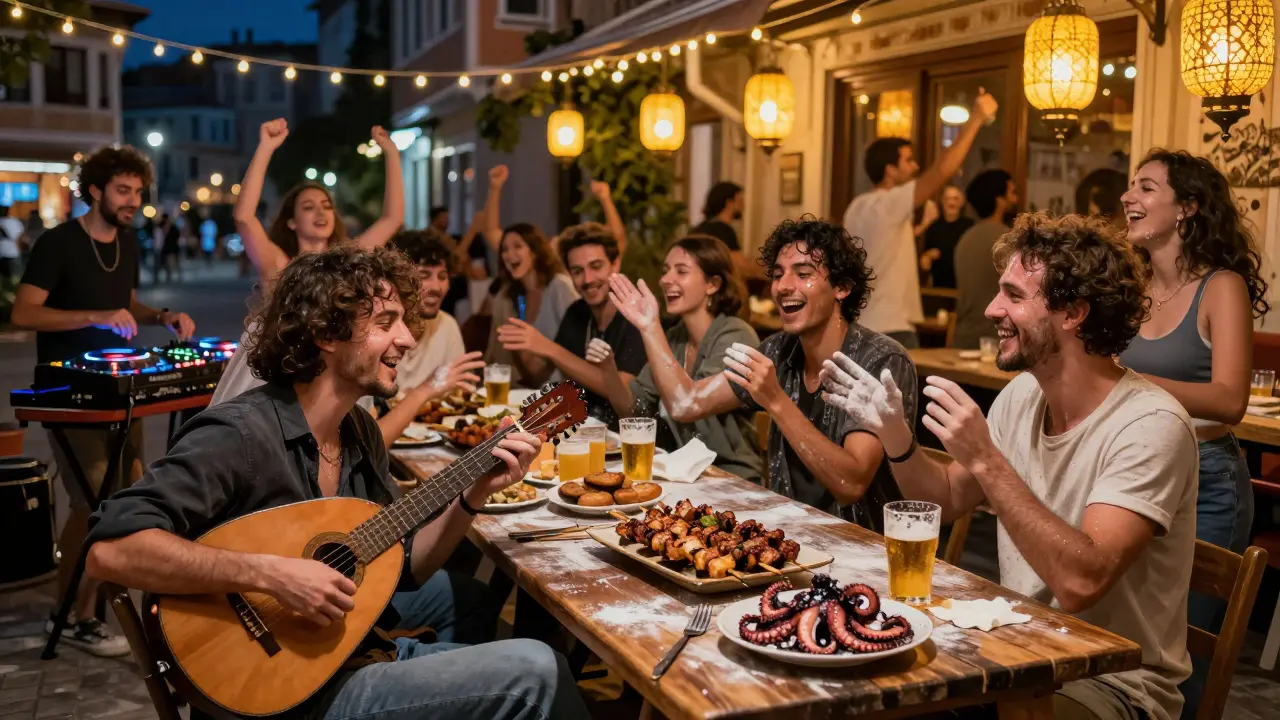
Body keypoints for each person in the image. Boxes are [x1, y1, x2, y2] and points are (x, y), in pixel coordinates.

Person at [83, 246, 588, 720]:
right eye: (386, 323)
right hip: (281, 691)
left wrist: (476, 489)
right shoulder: (239, 434)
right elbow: (111, 549)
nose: (409, 340)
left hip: (352, 653)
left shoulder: (358, 431)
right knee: (534, 670)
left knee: (548, 665)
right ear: (326, 333)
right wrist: (270, 575)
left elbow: (408, 567)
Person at [822, 213, 1197, 720]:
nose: (993, 309)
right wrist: (898, 441)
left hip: (1108, 684)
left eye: (1015, 296)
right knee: (860, 681)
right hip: (1017, 650)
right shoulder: (1024, 393)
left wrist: (984, 457)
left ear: (1074, 313)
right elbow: (948, 500)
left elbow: (1081, 584)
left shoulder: (1151, 424)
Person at [11, 144, 196, 657]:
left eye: (138, 191)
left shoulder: (129, 243)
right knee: (93, 499)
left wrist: (161, 314)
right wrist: (92, 317)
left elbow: (125, 301)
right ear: (94, 191)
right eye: (123, 190)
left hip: (119, 386)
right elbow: (25, 313)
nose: (133, 200)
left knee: (125, 496)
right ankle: (70, 612)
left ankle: (93, 606)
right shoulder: (58, 243)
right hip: (66, 389)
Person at [1117, 150, 1269, 716]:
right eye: (1131, 187)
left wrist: (1127, 381)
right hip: (1138, 469)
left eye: (1147, 187)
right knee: (1133, 633)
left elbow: (1231, 400)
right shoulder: (1132, 287)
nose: (1129, 197)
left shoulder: (1220, 286)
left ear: (1187, 208)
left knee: (1181, 650)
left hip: (1207, 482)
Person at [211, 118, 403, 405]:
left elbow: (392, 218)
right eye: (308, 207)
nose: (321, 212)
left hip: (333, 376)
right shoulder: (279, 263)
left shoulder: (346, 263)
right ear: (290, 221)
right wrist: (265, 147)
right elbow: (243, 217)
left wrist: (391, 154)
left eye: (326, 205)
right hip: (280, 379)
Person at [597, 235, 764, 482]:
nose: (665, 280)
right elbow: (635, 410)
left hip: (731, 479)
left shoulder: (737, 336)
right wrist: (608, 372)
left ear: (712, 284)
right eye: (665, 271)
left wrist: (649, 327)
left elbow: (687, 404)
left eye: (681, 271)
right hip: (685, 476)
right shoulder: (675, 339)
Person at [844, 91, 998, 348]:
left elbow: (880, 251)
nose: (915, 167)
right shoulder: (889, 202)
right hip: (890, 329)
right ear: (889, 170)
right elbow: (942, 172)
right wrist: (976, 119)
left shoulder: (857, 207)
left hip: (858, 325)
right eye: (908, 161)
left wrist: (921, 228)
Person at [496, 222, 647, 428]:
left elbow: (625, 394)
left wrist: (550, 349)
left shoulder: (636, 317)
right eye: (577, 271)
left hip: (624, 437)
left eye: (596, 266)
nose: (587, 279)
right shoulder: (577, 312)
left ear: (616, 263)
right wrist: (519, 342)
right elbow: (536, 376)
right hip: (576, 429)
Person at [376, 229, 485, 448]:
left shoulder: (447, 325)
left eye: (442, 277)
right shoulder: (375, 334)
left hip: (432, 444)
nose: (436, 287)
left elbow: (458, 402)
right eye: (424, 276)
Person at [482, 218, 578, 386]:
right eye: (504, 249)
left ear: (534, 251)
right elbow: (498, 355)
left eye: (518, 246)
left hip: (565, 388)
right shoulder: (507, 298)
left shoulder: (559, 286)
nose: (509, 255)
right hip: (526, 388)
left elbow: (579, 342)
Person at [953, 169, 1017, 349]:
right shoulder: (1006, 239)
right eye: (1012, 193)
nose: (1015, 199)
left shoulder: (965, 238)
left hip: (963, 336)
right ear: (999, 200)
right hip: (994, 339)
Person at [918, 185, 973, 289]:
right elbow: (925, 260)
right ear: (942, 202)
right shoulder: (933, 228)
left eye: (955, 199)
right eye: (947, 198)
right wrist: (927, 257)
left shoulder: (970, 228)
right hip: (940, 287)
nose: (951, 203)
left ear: (962, 202)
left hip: (965, 287)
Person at [0, 204, 23, 280]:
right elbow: (20, 237)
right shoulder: (15, 222)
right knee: (14, 278)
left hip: (2, 253)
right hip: (13, 252)